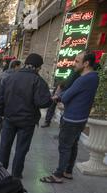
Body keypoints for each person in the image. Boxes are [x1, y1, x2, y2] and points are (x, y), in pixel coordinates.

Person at [40, 51, 99, 184]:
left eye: (77, 61)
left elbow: (66, 96)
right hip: (81, 118)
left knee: (65, 146)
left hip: (72, 118)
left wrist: (59, 97)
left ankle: (58, 174)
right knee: (73, 145)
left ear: (86, 63)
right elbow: (72, 92)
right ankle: (68, 171)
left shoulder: (84, 79)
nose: (74, 63)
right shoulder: (94, 77)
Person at [0, 53, 53, 179]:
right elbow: (43, 102)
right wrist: (51, 99)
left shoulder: (10, 77)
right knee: (21, 149)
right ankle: (16, 174)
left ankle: (0, 173)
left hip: (9, 119)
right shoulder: (38, 81)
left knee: (4, 146)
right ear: (38, 67)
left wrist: (0, 114)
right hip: (27, 122)